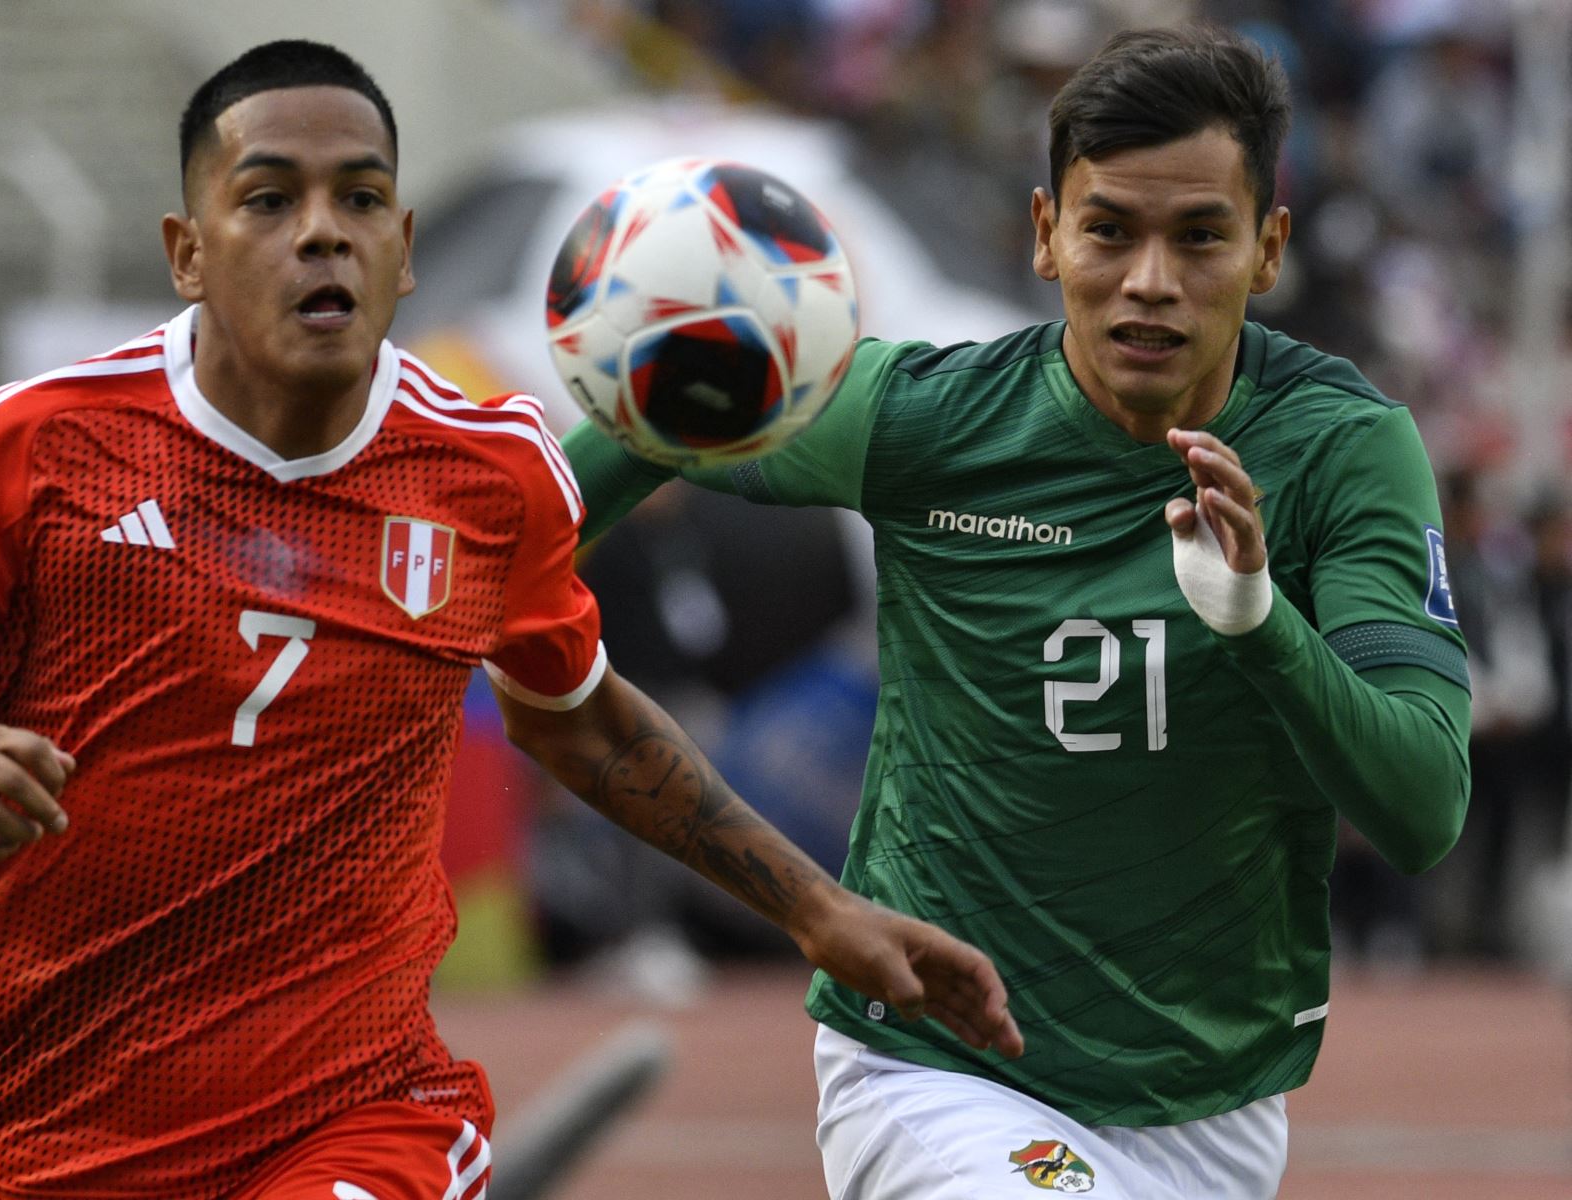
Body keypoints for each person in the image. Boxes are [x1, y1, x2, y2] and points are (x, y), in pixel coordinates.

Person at [0, 39, 1021, 1200]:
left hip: (367, 1118)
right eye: (269, 200)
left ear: (407, 243)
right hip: (68, 1134)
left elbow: (581, 724)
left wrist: (820, 910)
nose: (322, 232)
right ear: (187, 249)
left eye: (360, 199)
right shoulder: (29, 449)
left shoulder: (491, 470)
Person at [564, 24, 1471, 1199]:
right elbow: (664, 406)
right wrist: (475, 580)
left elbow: (1424, 808)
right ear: (1047, 235)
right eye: (1110, 230)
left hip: (1216, 1102)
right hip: (935, 1067)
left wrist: (1259, 622)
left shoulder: (1346, 453)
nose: (1151, 280)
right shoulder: (929, 423)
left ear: (1268, 249)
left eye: (1200, 235)